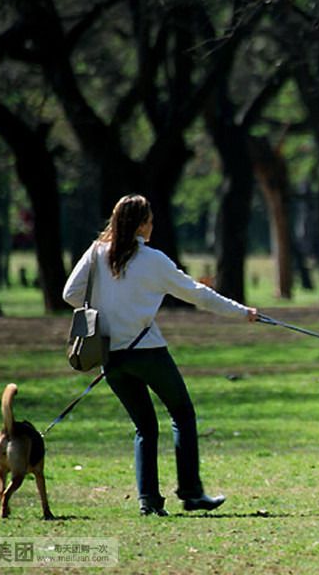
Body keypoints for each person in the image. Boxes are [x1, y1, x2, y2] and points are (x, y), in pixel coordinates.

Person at [63, 194, 257, 516]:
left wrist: (105, 312)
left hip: (111, 355)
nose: (153, 226)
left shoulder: (96, 253)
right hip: (149, 352)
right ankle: (192, 494)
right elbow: (198, 295)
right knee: (182, 415)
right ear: (141, 224)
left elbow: (70, 293)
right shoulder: (153, 260)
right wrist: (243, 313)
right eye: (150, 220)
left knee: (144, 427)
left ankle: (149, 502)